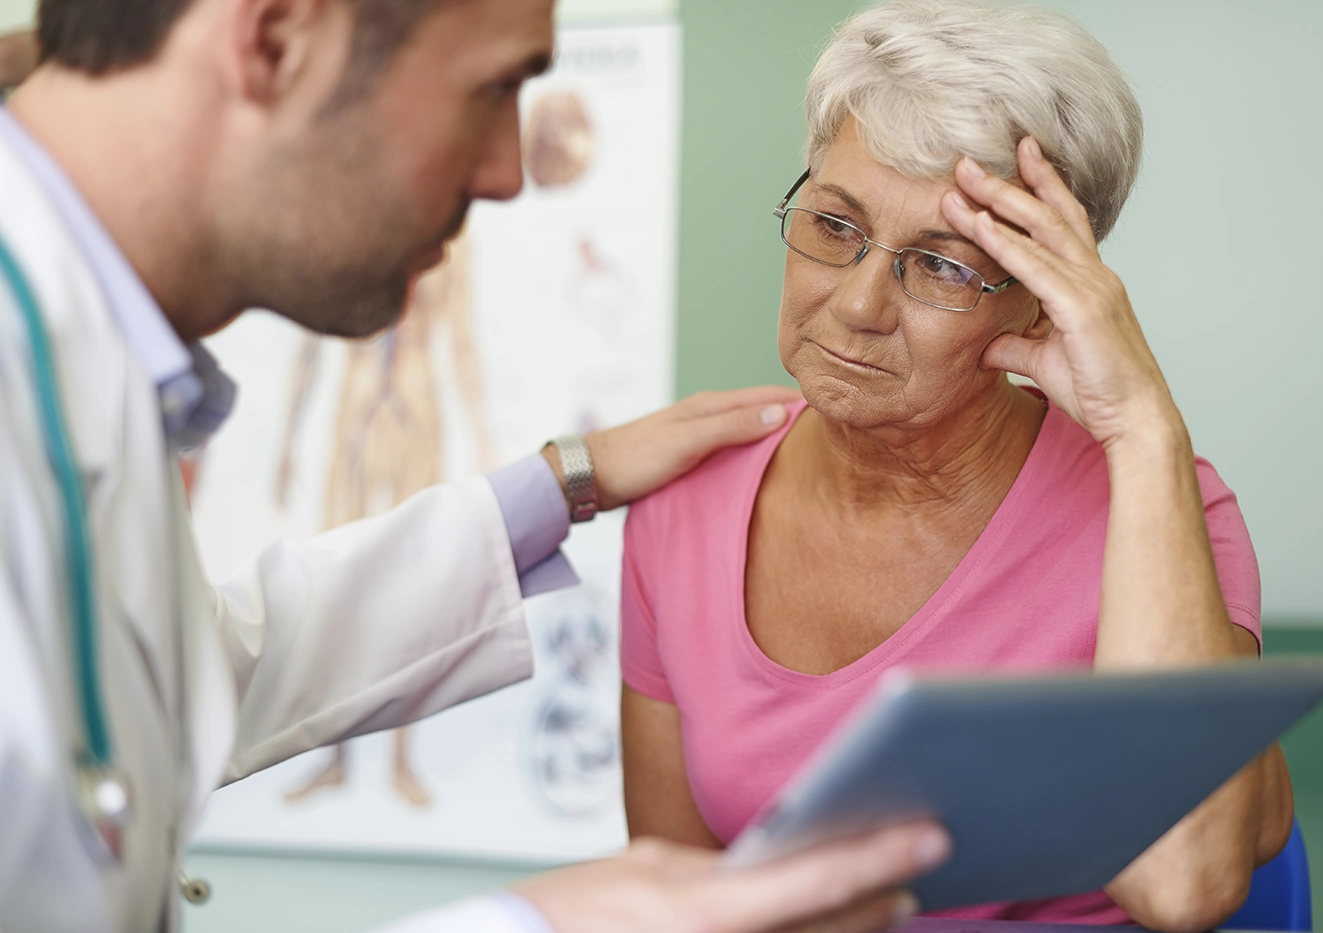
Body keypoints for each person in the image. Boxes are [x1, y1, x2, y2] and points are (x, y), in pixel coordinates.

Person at [0, 2, 952, 932]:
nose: (507, 174)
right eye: (494, 87)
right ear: (277, 39)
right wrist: (532, 922)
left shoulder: (80, 359)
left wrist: (562, 483)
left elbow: (184, 675)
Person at [618, 2, 1293, 931]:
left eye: (942, 266)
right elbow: (674, 906)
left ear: (1045, 300)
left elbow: (1185, 884)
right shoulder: (684, 504)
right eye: (835, 224)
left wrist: (1142, 427)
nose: (858, 305)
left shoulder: (1163, 504)